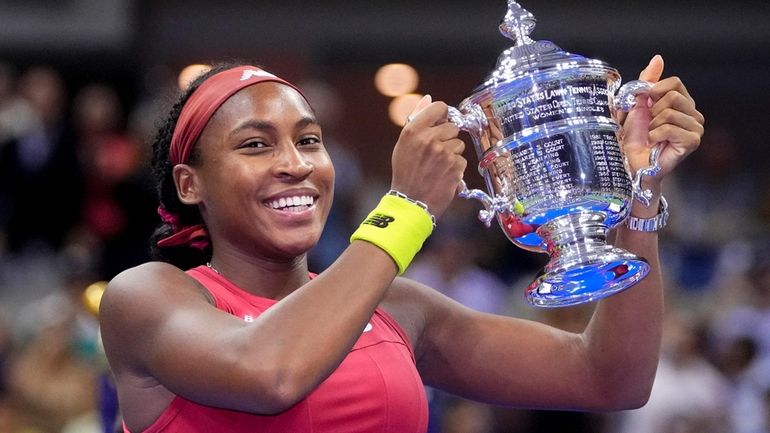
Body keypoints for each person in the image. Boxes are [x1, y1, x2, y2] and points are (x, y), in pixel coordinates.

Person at [99, 55, 704, 433]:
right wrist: (407, 208)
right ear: (189, 183)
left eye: (309, 141)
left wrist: (638, 190)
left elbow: (611, 380)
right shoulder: (147, 297)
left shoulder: (399, 310)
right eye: (256, 145)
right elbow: (269, 374)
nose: (295, 165)